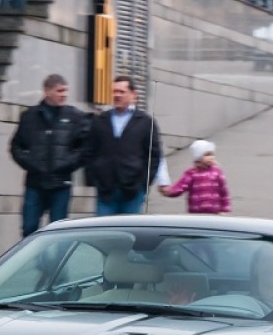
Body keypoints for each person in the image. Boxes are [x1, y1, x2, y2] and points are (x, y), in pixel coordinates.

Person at [9, 73, 88, 237]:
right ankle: (34, 263)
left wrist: (67, 164)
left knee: (58, 232)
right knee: (29, 228)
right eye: (59, 91)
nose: (64, 95)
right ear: (47, 92)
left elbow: (85, 148)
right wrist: (31, 163)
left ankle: (53, 263)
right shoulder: (30, 116)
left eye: (65, 91)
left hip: (61, 184)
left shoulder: (75, 117)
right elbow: (16, 146)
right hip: (35, 183)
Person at [83, 75, 164, 215]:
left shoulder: (145, 122)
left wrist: (144, 184)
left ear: (133, 94)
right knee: (104, 232)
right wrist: (95, 179)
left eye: (122, 91)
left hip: (133, 191)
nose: (117, 95)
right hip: (105, 190)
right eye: (114, 91)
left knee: (130, 232)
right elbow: (89, 152)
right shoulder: (100, 121)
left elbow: (154, 156)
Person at [162, 140, 232, 214]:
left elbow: (223, 190)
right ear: (198, 158)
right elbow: (182, 186)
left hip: (214, 211)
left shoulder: (217, 172)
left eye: (212, 154)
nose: (211, 157)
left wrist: (225, 208)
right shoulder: (191, 173)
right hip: (196, 211)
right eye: (207, 155)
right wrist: (171, 191)